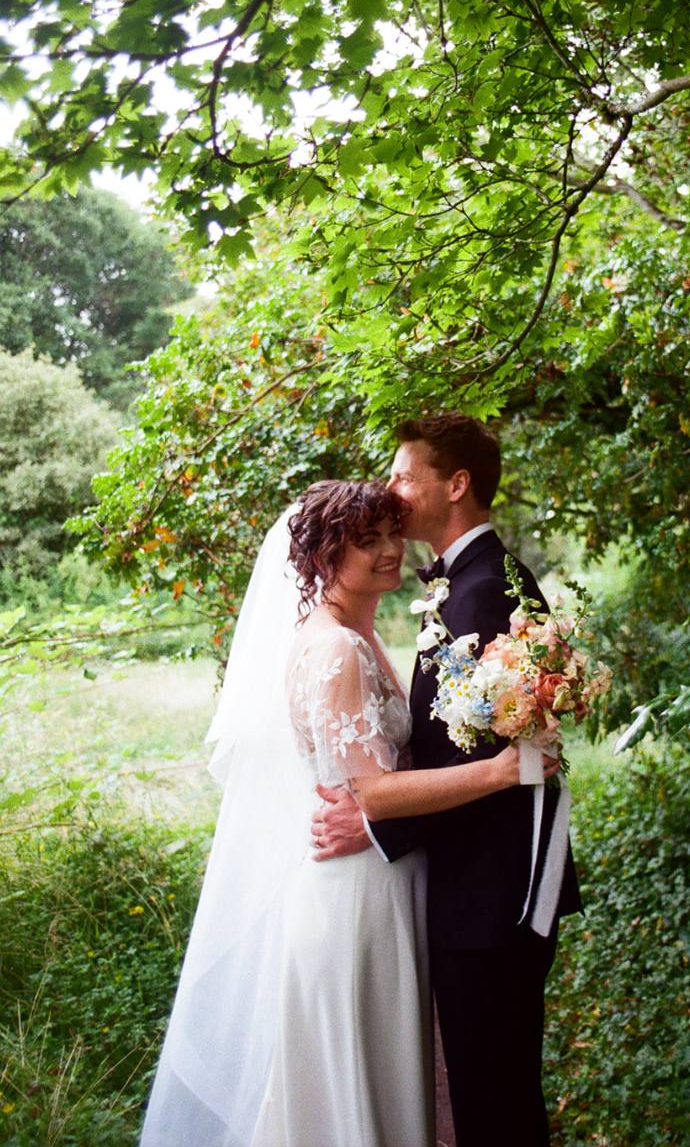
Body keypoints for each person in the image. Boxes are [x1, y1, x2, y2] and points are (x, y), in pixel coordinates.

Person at [139, 479, 552, 1147]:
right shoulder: (334, 650)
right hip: (354, 904)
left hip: (381, 886)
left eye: (393, 533)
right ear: (324, 557)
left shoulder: (354, 636)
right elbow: (376, 793)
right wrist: (503, 770)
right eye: (369, 542)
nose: (393, 550)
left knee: (383, 1089)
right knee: (356, 1097)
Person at [312, 415, 582, 1147]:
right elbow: (457, 744)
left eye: (403, 476)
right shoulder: (469, 583)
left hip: (494, 896)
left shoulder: (483, 592)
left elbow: (487, 765)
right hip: (477, 888)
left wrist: (373, 820)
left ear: (455, 485)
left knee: (494, 1099)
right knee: (492, 1091)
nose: (391, 492)